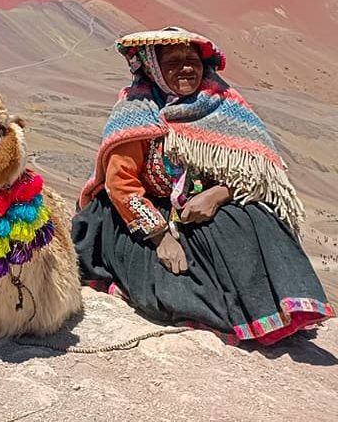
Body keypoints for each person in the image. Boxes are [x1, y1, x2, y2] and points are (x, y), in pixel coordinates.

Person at [72, 27, 332, 345]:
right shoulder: (135, 112)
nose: (185, 67)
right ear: (152, 67)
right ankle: (218, 309)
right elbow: (121, 184)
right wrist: (160, 237)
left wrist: (217, 194)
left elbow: (253, 171)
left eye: (191, 59)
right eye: (173, 61)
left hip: (194, 205)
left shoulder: (220, 106)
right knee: (168, 278)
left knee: (254, 216)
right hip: (138, 213)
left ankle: (272, 306)